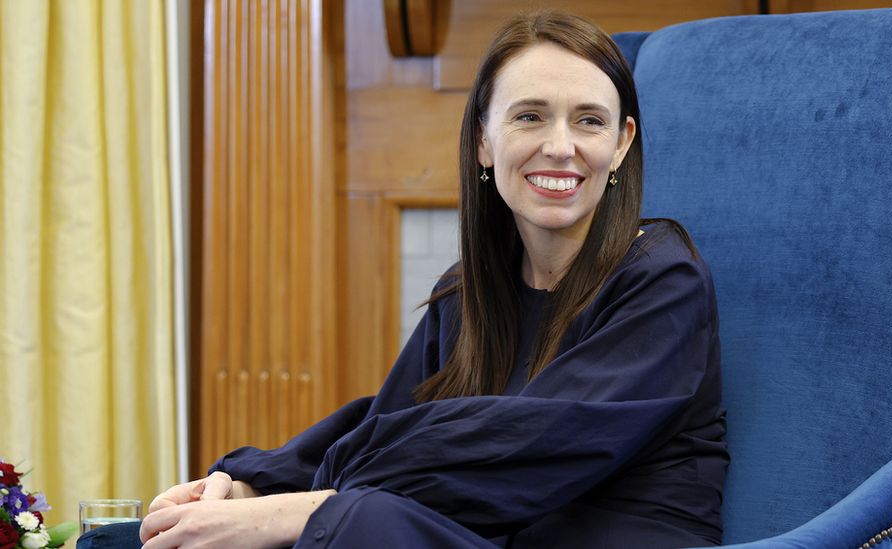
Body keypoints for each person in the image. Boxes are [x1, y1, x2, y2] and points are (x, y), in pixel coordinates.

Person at [136, 10, 727, 548]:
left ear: (621, 144)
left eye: (589, 122)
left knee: (362, 522)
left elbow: (534, 444)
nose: (560, 146)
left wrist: (303, 510)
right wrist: (249, 485)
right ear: (483, 142)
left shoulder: (663, 278)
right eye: (529, 116)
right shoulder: (468, 293)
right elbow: (385, 424)